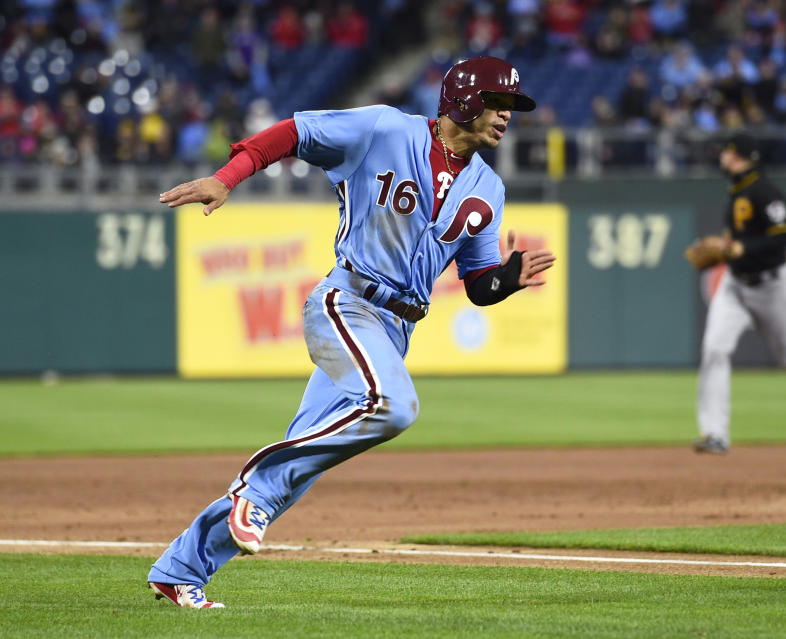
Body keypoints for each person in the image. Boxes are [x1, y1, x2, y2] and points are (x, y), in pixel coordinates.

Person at [146, 56, 555, 608]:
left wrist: (505, 280)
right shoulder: (385, 129)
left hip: (398, 327)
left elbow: (477, 284)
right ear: (463, 98)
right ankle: (252, 492)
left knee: (294, 477)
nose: (507, 116)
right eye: (499, 103)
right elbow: (296, 132)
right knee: (395, 405)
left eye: (512, 108)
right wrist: (226, 179)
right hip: (348, 300)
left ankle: (181, 570)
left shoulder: (488, 187)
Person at [688, 133, 786, 454]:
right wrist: (726, 250)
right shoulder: (736, 190)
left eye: (727, 152)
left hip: (772, 285)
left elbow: (784, 237)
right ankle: (715, 433)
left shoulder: (765, 190)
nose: (722, 157)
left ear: (742, 156)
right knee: (714, 349)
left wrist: (739, 247)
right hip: (735, 285)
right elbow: (737, 244)